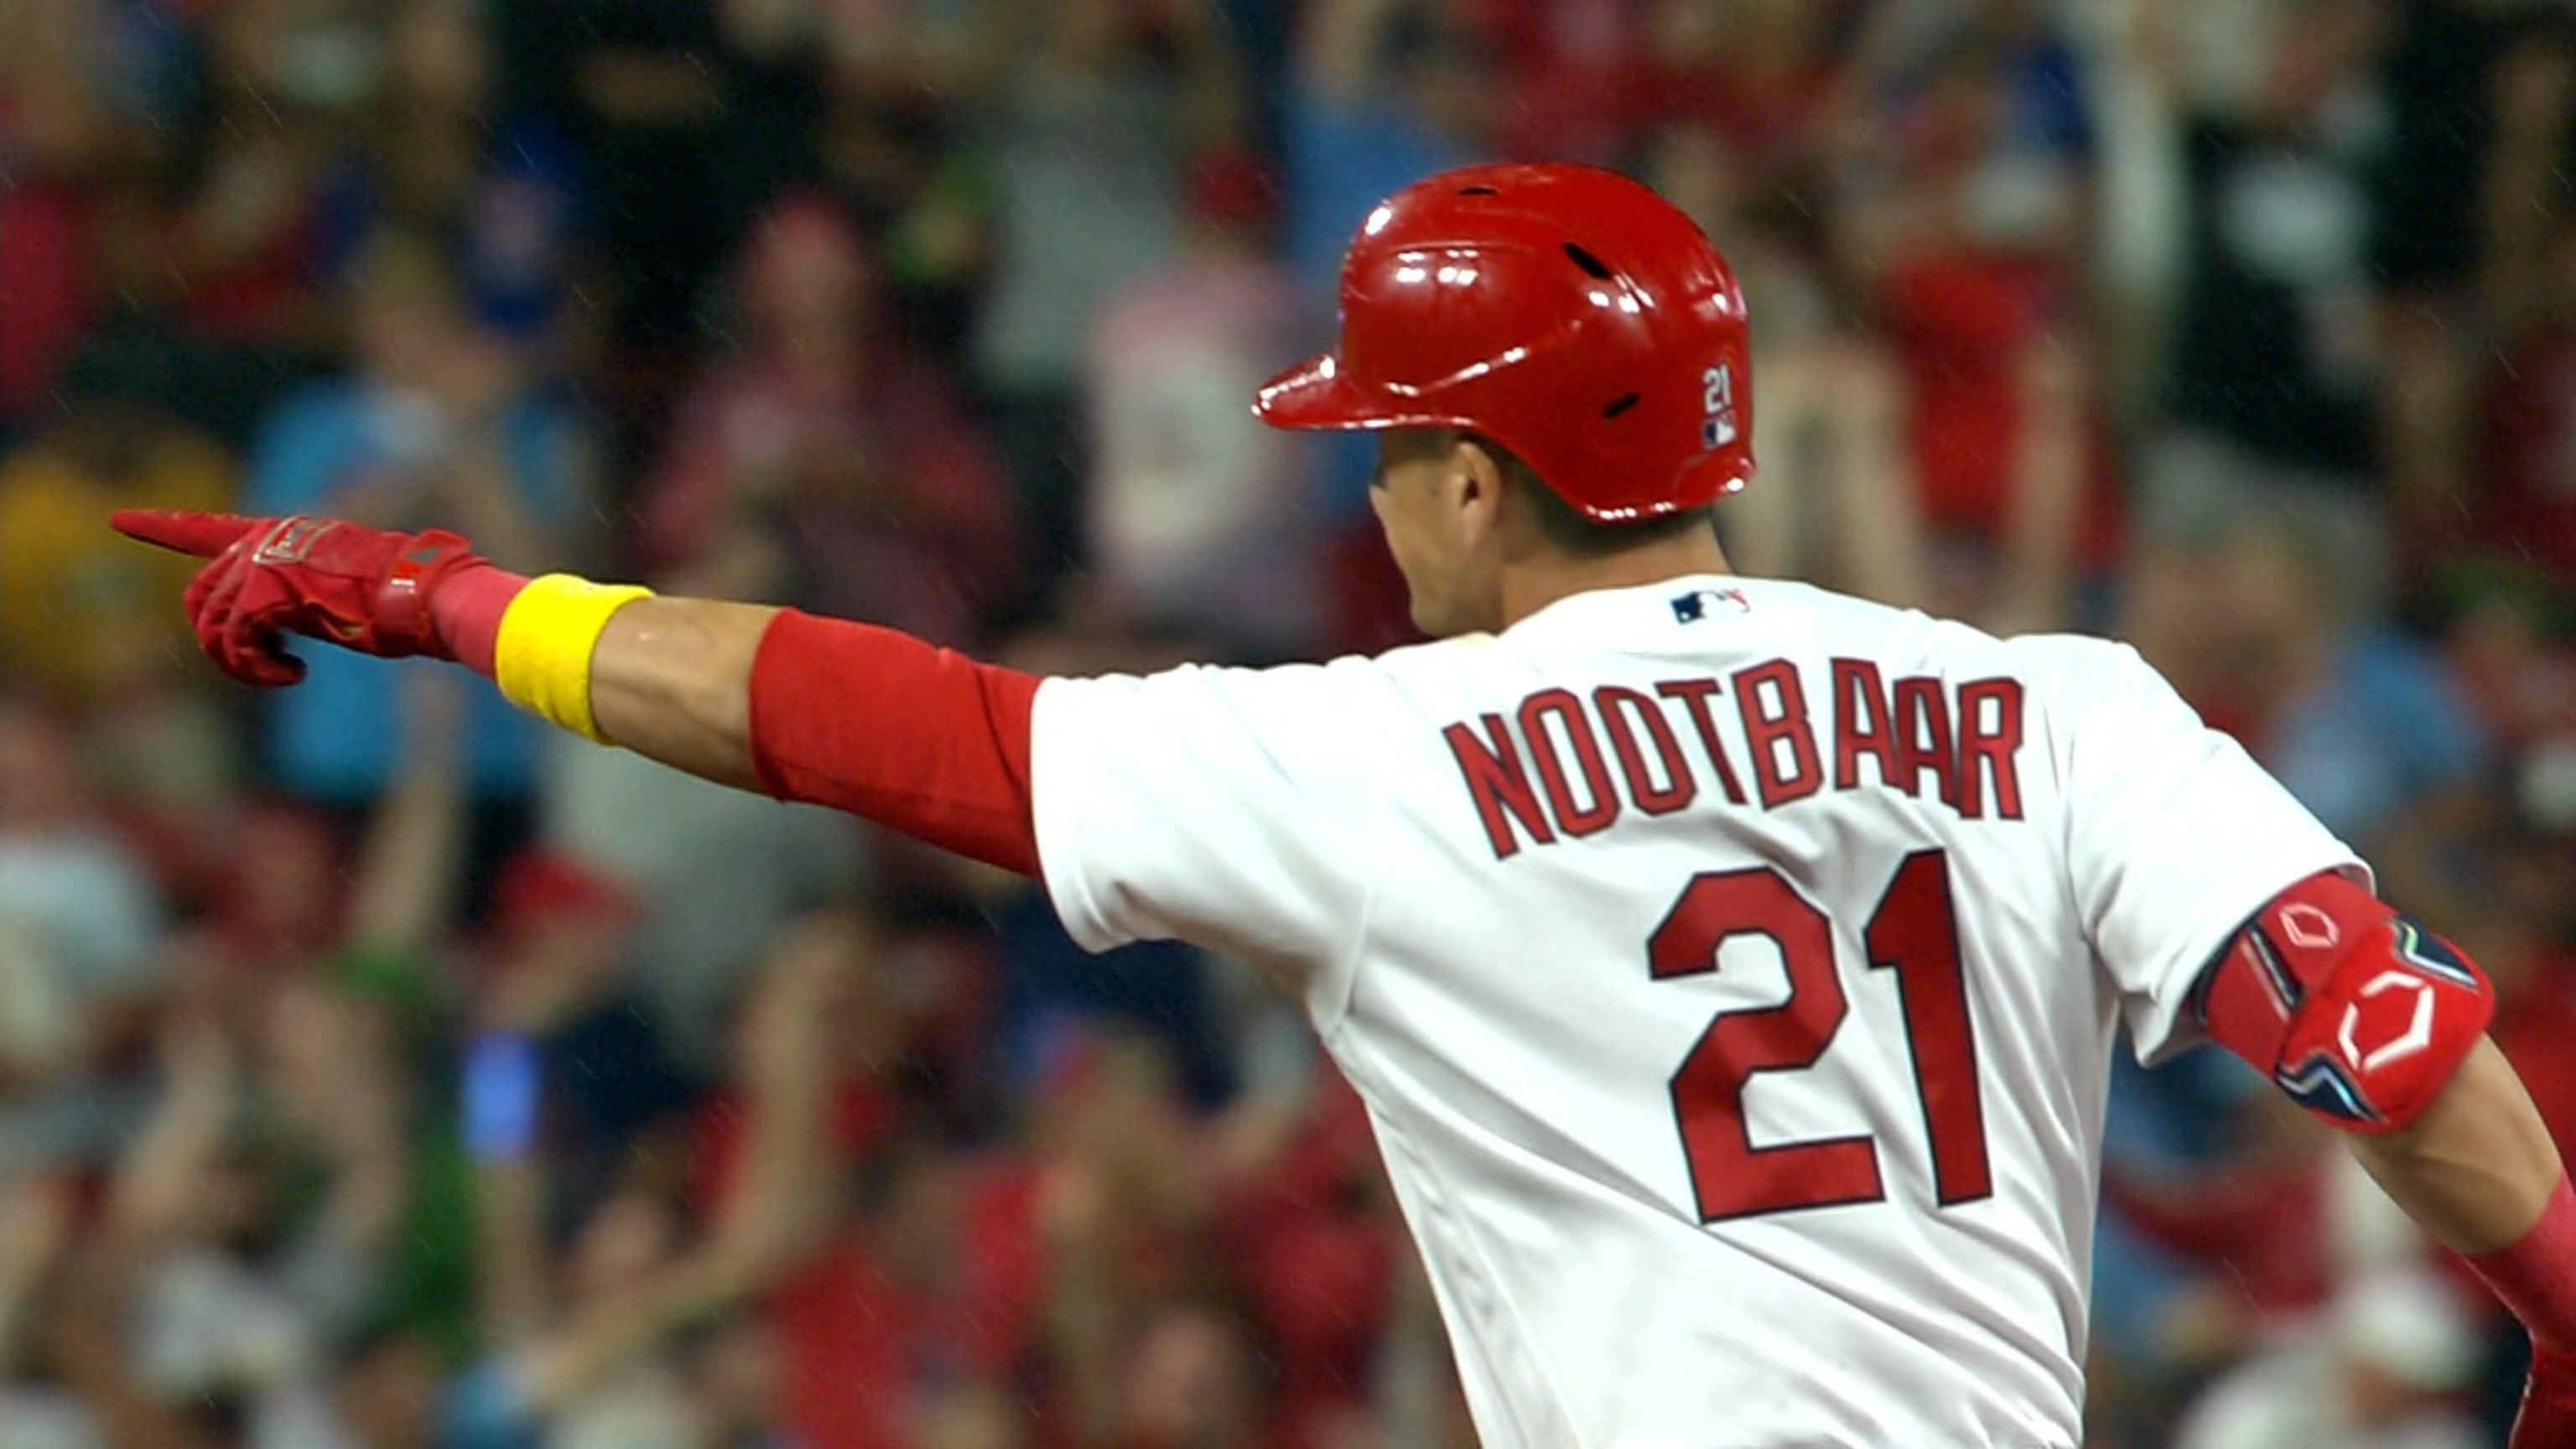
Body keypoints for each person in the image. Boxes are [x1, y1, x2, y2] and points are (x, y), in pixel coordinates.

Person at [112, 163, 2576, 1448]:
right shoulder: (2062, 707)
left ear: (1486, 480)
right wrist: (2561, 1324)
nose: (1376, 510)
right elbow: (2380, 1045)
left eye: (1391, 455)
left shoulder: (1375, 758)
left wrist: (450, 602)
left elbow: (849, 717)